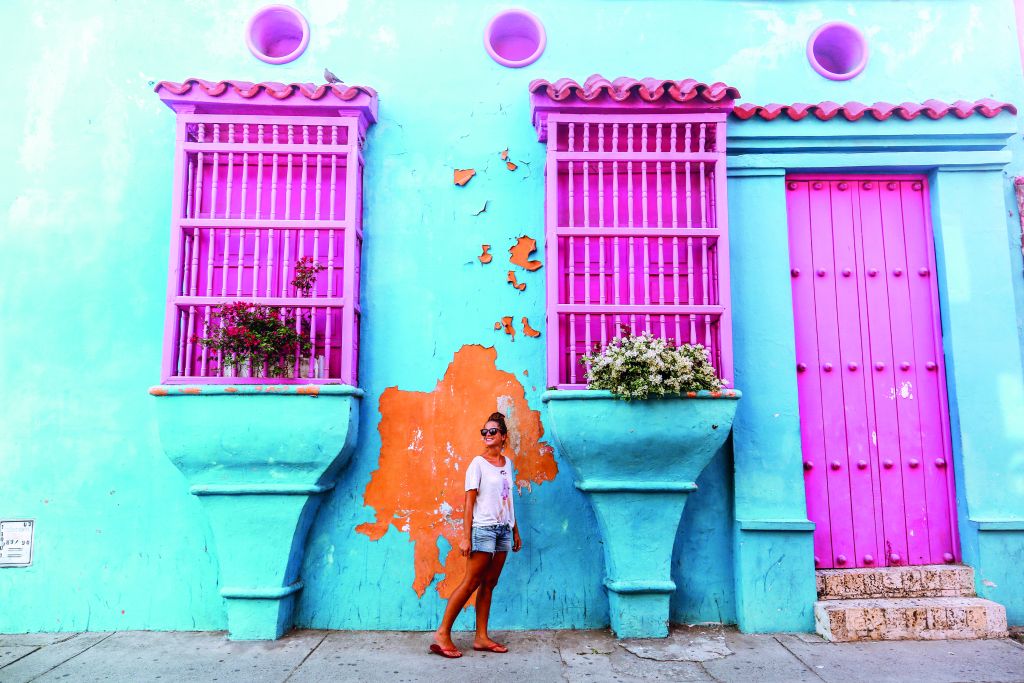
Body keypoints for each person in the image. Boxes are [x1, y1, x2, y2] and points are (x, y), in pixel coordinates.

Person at [431, 412, 522, 658]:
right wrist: (465, 536)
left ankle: (481, 637)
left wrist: (515, 529)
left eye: (493, 431)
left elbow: (507, 498)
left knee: (490, 584)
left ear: (503, 436)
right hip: (483, 529)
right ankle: (442, 633)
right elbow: (469, 503)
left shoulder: (507, 464)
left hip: (503, 529)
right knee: (471, 582)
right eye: (485, 431)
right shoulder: (477, 464)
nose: (488, 435)